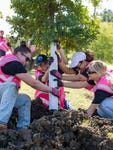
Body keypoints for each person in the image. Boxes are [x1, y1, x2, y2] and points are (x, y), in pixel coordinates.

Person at [0, 46, 59, 130]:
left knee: (25, 100)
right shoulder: (13, 62)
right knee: (12, 86)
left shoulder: (9, 60)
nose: (27, 62)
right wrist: (52, 90)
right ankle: (1, 122)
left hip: (2, 95)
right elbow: (33, 83)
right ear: (18, 54)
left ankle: (23, 129)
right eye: (27, 59)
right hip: (2, 94)